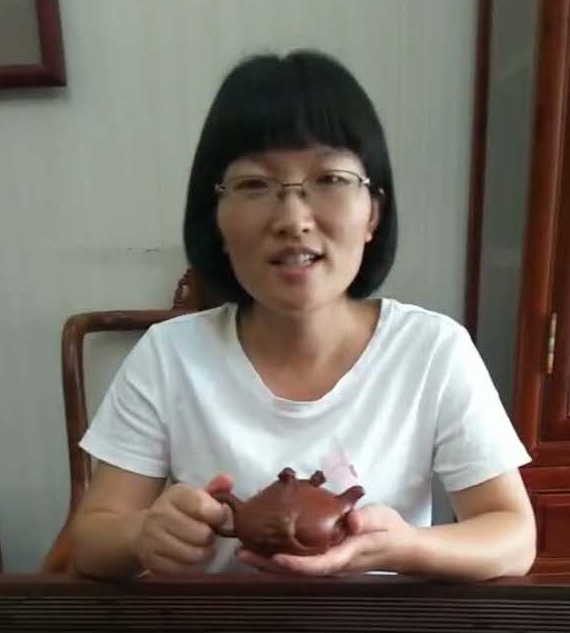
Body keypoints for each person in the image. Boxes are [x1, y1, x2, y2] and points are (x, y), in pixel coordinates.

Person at [71, 50, 536, 580]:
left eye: (330, 179)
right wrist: (141, 535)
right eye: (254, 185)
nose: (293, 219)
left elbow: (512, 536)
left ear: (373, 213)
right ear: (216, 219)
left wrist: (405, 547)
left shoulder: (432, 351)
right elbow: (91, 539)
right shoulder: (168, 355)